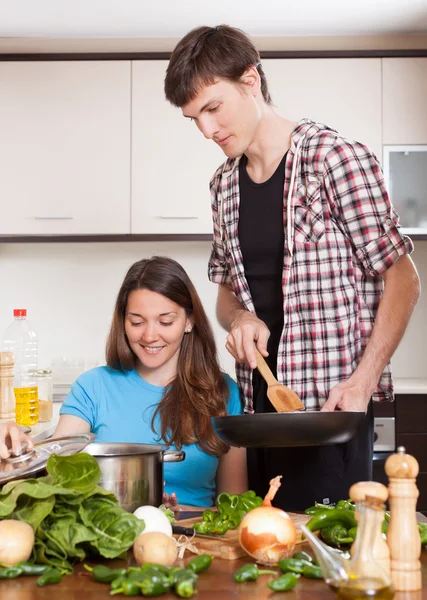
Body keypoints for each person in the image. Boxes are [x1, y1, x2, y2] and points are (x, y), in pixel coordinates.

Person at [164, 25, 421, 510]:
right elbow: (225, 294)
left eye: (213, 108)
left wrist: (363, 383)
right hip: (261, 410)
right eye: (193, 118)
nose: (206, 130)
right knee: (263, 551)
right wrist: (239, 319)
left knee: (329, 563)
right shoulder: (223, 186)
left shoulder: (333, 159)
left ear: (250, 80)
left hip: (333, 411)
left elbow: (403, 277)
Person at [0, 256, 247, 508]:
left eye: (165, 321)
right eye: (137, 322)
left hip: (197, 540)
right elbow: (57, 469)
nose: (150, 336)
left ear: (189, 321)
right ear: (123, 322)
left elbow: (234, 505)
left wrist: (178, 514)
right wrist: (15, 448)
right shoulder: (93, 387)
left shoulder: (223, 392)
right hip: (110, 536)